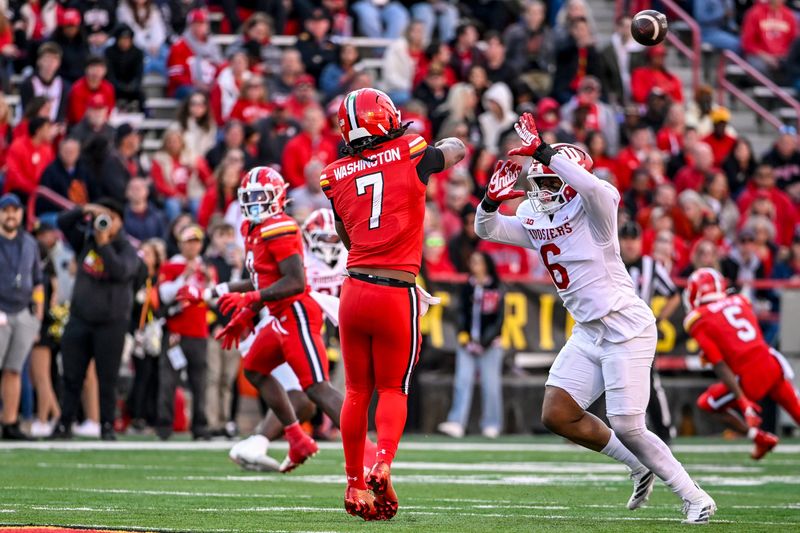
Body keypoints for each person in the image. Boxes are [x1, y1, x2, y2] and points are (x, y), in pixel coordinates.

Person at [473, 112, 715, 523]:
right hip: (588, 330)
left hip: (624, 326)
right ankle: (638, 466)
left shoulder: (595, 211)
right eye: (540, 182)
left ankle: (695, 496)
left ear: (569, 179)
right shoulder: (536, 218)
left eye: (552, 181)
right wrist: (490, 201)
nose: (544, 190)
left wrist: (545, 151)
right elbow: (487, 229)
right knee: (557, 413)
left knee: (627, 423)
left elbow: (599, 190)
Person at [320, 88, 465, 520]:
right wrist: (448, 147)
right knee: (392, 388)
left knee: (355, 391)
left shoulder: (333, 174)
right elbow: (455, 150)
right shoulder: (411, 150)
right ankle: (382, 462)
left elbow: (346, 235)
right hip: (394, 290)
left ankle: (352, 482)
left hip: (354, 291)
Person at [211, 167, 373, 475]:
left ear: (277, 197)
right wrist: (244, 315)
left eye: (261, 197)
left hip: (298, 314)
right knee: (254, 369)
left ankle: (367, 451)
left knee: (316, 389)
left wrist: (249, 301)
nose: (255, 203)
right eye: (250, 198)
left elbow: (295, 283)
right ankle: (296, 437)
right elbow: (261, 279)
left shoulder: (281, 227)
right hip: (279, 316)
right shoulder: (253, 228)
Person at [228, 207, 350, 469]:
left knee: (307, 402)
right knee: (310, 392)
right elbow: (266, 282)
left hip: (309, 325)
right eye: (322, 238)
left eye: (333, 239)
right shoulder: (295, 255)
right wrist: (242, 307)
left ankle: (272, 442)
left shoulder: (348, 258)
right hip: (285, 322)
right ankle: (365, 448)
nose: (329, 245)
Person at [684, 268, 800, 459]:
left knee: (706, 403)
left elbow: (719, 364)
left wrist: (743, 401)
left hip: (749, 376)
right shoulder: (740, 300)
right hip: (771, 363)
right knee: (797, 412)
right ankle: (761, 440)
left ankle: (758, 436)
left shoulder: (699, 319)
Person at [51, 199, 140, 440]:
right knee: (71, 376)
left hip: (111, 324)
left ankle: (107, 426)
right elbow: (61, 222)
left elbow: (121, 271)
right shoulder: (85, 241)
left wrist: (104, 245)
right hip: (80, 319)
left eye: (111, 217)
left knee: (107, 379)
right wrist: (86, 210)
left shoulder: (127, 248)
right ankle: (64, 424)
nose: (106, 222)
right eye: (104, 217)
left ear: (120, 222)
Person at [619, 221, 681, 445]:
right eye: (625, 239)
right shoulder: (611, 262)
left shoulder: (650, 265)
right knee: (605, 379)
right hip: (613, 331)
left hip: (639, 333)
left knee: (650, 383)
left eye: (633, 239)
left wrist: (658, 318)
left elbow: (674, 294)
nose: (629, 244)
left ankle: (664, 432)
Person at [156, 224, 217, 440]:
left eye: (196, 242)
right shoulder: (171, 266)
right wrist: (184, 276)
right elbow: (164, 295)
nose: (193, 247)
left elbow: (215, 300)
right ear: (181, 244)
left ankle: (200, 426)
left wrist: (210, 282)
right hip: (176, 332)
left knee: (199, 381)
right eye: (189, 242)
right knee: (168, 380)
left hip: (199, 332)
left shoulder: (206, 268)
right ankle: (164, 426)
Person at [437, 250, 505, 439]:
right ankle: (457, 421)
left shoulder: (496, 287)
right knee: (462, 381)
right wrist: (464, 334)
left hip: (490, 344)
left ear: (486, 265)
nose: (473, 266)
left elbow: (499, 318)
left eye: (477, 262)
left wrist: (485, 341)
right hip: (468, 343)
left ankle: (492, 423)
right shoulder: (468, 286)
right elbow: (461, 313)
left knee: (491, 385)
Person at [0, 194, 44, 440]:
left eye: (15, 210)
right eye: (5, 210)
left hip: (22, 312)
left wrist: (37, 314)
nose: (10, 215)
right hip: (1, 310)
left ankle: (10, 421)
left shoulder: (29, 243)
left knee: (14, 370)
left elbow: (38, 281)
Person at [203, 223, 243, 438]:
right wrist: (215, 322)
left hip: (234, 328)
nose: (226, 240)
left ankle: (227, 419)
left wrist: (238, 268)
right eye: (221, 235)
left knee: (228, 379)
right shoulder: (210, 264)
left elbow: (243, 297)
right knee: (213, 376)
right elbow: (211, 297)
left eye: (229, 235)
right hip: (216, 328)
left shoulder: (240, 265)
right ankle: (212, 422)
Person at [167, 8, 223, 98]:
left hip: (210, 85)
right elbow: (175, 75)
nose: (199, 27)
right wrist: (196, 84)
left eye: (202, 23)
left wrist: (213, 83)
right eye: (196, 24)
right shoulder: (179, 46)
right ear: (190, 26)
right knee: (195, 94)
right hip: (186, 87)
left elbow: (220, 67)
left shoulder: (213, 46)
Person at [3, 117, 56, 202]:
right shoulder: (18, 146)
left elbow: (52, 171)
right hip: (18, 191)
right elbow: (14, 175)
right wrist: (34, 189)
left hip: (39, 192)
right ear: (38, 131)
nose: (51, 132)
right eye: (48, 128)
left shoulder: (47, 149)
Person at [20, 42, 70, 124]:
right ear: (39, 61)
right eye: (47, 59)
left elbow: (61, 114)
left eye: (54, 59)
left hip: (54, 128)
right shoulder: (28, 84)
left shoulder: (63, 85)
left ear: (59, 63)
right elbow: (26, 113)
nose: (50, 63)